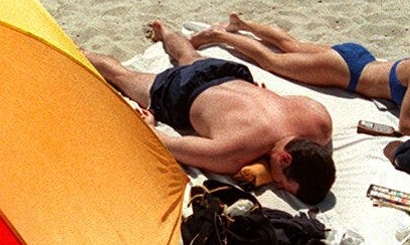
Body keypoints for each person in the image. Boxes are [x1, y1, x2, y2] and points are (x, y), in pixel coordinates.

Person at [87, 20, 336, 204]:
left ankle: (164, 29)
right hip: (185, 92)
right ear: (285, 159)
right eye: (281, 181)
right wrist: (150, 124)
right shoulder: (232, 154)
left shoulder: (319, 121)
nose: (275, 182)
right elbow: (168, 144)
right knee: (123, 77)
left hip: (232, 75)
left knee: (189, 55)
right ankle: (78, 55)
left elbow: (279, 101)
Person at [189, 14, 410, 138]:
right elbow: (407, 125)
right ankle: (219, 35)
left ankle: (242, 24)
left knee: (291, 45)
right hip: (346, 72)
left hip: (360, 56)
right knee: (271, 60)